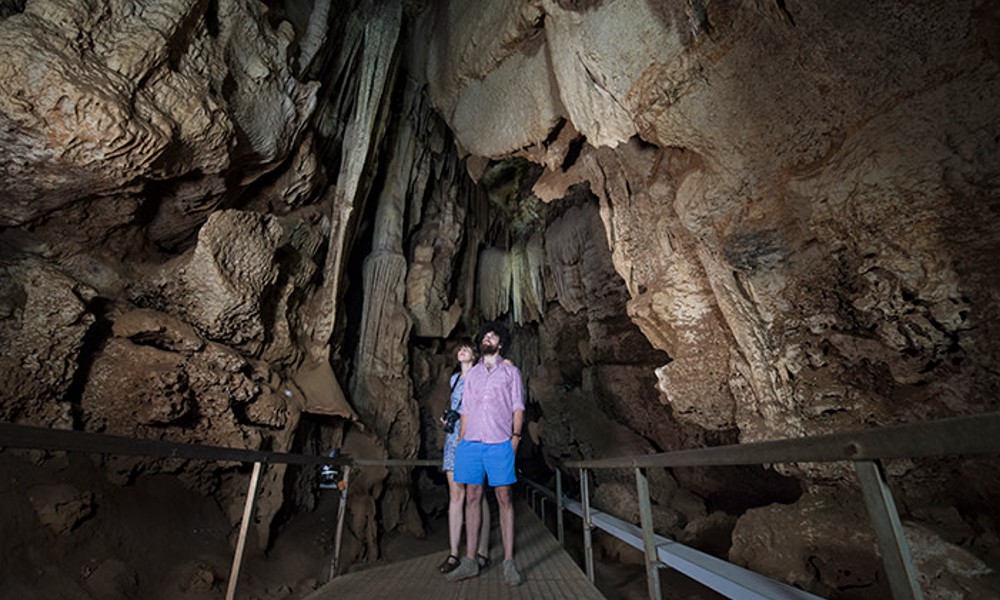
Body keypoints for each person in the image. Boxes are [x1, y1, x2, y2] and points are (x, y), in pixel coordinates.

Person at [446, 321, 525, 586]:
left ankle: (509, 562)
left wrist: (515, 438)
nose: (487, 339)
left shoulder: (510, 372)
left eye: (492, 336)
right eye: (484, 336)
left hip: (499, 442)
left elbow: (518, 406)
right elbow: (465, 410)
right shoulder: (473, 375)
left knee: (504, 498)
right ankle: (470, 561)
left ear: (500, 343)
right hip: (471, 442)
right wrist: (461, 443)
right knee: (471, 496)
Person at [437, 342, 491, 574]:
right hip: (453, 442)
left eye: (467, 349)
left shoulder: (482, 377)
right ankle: (453, 553)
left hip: (474, 438)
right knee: (456, 494)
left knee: (476, 495)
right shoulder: (455, 379)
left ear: (475, 356)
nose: (462, 350)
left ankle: (482, 551)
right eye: (460, 348)